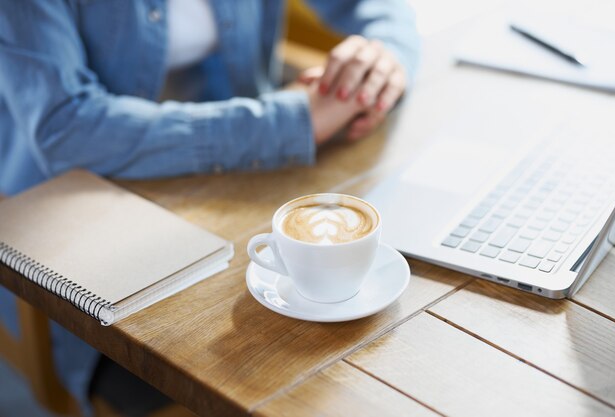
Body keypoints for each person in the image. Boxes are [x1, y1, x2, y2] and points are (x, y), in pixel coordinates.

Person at [0, 0, 418, 415]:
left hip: (241, 181)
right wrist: (289, 123)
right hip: (81, 219)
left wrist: (383, 61)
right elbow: (67, 128)